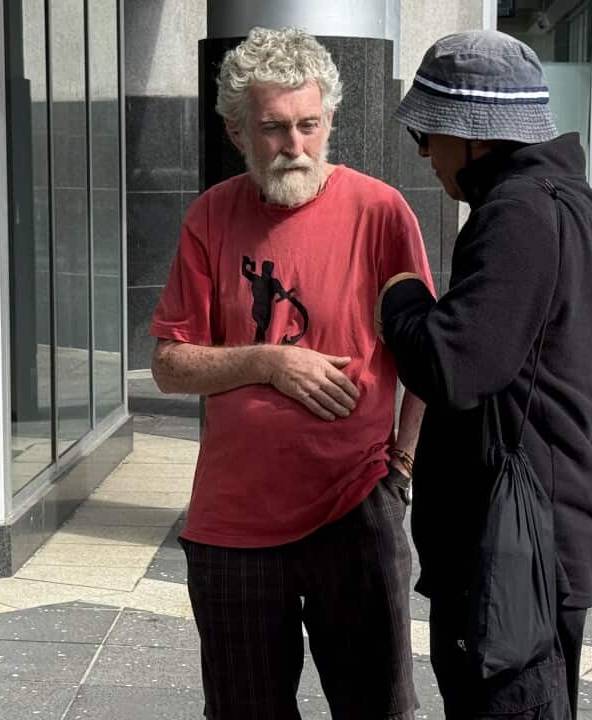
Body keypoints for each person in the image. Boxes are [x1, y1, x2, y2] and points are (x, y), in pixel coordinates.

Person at [149, 26, 432, 720]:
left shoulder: (380, 212)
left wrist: (402, 465)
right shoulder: (211, 216)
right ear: (236, 131)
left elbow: (427, 357)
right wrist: (270, 361)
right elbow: (169, 365)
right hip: (233, 523)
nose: (295, 145)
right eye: (274, 128)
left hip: (355, 508)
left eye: (309, 124)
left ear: (330, 119)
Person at [377, 30, 592, 720]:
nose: (424, 153)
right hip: (545, 534)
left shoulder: (516, 214)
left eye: (428, 133)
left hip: (514, 552)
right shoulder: (575, 201)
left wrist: (401, 296)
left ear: (474, 136)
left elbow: (452, 366)